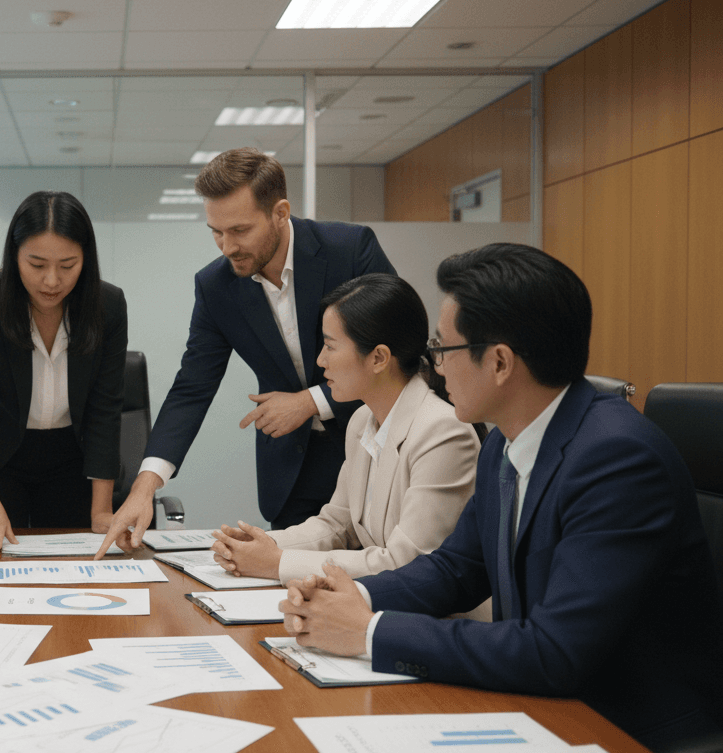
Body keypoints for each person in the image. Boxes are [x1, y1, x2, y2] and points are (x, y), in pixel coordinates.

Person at [280, 243, 723, 750]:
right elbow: (456, 569)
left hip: (624, 725)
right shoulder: (507, 441)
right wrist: (351, 599)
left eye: (442, 349)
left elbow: (555, 651)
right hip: (544, 704)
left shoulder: (617, 459)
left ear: (499, 362)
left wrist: (369, 632)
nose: (434, 367)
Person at [97, 147, 395, 558]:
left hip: (373, 460)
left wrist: (310, 402)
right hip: (293, 474)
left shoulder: (350, 249)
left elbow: (396, 354)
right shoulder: (216, 285)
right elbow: (192, 387)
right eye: (215, 232)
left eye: (239, 230)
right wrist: (144, 486)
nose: (226, 247)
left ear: (280, 212)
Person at [210, 273, 480, 586]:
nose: (321, 361)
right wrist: (264, 545)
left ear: (378, 358)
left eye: (329, 346)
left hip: (437, 620)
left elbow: (408, 561)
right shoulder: (362, 420)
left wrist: (278, 563)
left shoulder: (443, 432)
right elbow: (337, 525)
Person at [0, 191, 127, 549]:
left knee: (74, 558)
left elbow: (105, 408)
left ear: (86, 259)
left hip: (73, 458)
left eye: (67, 265)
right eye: (36, 265)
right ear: (14, 255)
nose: (52, 281)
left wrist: (102, 511)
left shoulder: (108, 305)